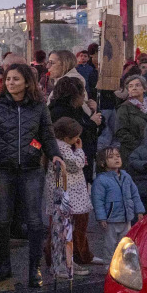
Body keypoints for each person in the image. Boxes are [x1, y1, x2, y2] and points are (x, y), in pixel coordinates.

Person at [0, 63, 64, 287]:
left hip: (31, 169)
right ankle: (4, 264)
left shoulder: (38, 107)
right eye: (8, 79)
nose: (10, 83)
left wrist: (55, 155)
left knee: (35, 222)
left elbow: (47, 135)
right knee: (2, 219)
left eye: (15, 79)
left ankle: (34, 268)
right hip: (3, 170)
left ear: (27, 82)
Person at [46, 117, 93, 278]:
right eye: (75, 137)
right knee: (63, 231)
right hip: (65, 195)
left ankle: (67, 262)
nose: (77, 140)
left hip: (62, 194)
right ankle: (60, 265)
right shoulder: (64, 148)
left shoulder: (56, 146)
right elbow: (74, 165)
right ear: (67, 137)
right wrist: (80, 151)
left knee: (64, 230)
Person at [92, 146, 145, 263]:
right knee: (110, 245)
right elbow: (98, 200)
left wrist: (139, 211)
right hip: (111, 219)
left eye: (118, 156)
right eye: (111, 157)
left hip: (126, 218)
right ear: (102, 163)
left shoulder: (126, 176)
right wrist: (101, 218)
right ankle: (109, 267)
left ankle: (125, 267)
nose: (116, 159)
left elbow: (135, 194)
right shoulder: (101, 180)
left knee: (126, 244)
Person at [49, 76, 102, 187]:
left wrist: (94, 112)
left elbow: (94, 128)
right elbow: (74, 132)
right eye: (82, 93)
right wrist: (92, 123)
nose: (84, 97)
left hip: (83, 158)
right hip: (69, 161)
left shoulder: (77, 109)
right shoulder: (60, 111)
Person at [115, 75, 147, 164]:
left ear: (144, 88)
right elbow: (121, 132)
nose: (134, 88)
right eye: (130, 86)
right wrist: (140, 145)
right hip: (132, 153)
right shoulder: (124, 108)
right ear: (128, 90)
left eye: (137, 85)